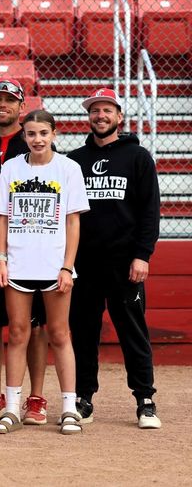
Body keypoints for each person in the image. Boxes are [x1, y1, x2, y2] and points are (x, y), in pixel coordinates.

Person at [67, 88, 162, 429]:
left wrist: (142, 255)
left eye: (107, 110)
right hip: (84, 264)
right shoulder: (74, 160)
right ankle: (83, 398)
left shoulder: (138, 158)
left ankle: (145, 400)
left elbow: (150, 212)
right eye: (94, 111)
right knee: (84, 332)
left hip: (125, 263)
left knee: (132, 332)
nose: (100, 116)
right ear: (88, 117)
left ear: (119, 116)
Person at [0, 110, 89, 435]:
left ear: (54, 134)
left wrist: (66, 266)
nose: (37, 139)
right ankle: (12, 408)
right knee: (17, 334)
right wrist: (2, 259)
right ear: (25, 136)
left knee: (60, 335)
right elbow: (2, 217)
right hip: (18, 264)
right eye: (31, 134)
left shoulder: (69, 169)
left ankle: (70, 408)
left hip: (54, 266)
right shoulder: (11, 168)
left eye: (43, 133)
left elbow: (73, 222)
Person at [0, 80, 50, 424]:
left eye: (10, 100)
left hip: (31, 244)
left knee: (34, 326)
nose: (3, 105)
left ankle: (35, 396)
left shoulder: (34, 141)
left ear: (21, 106)